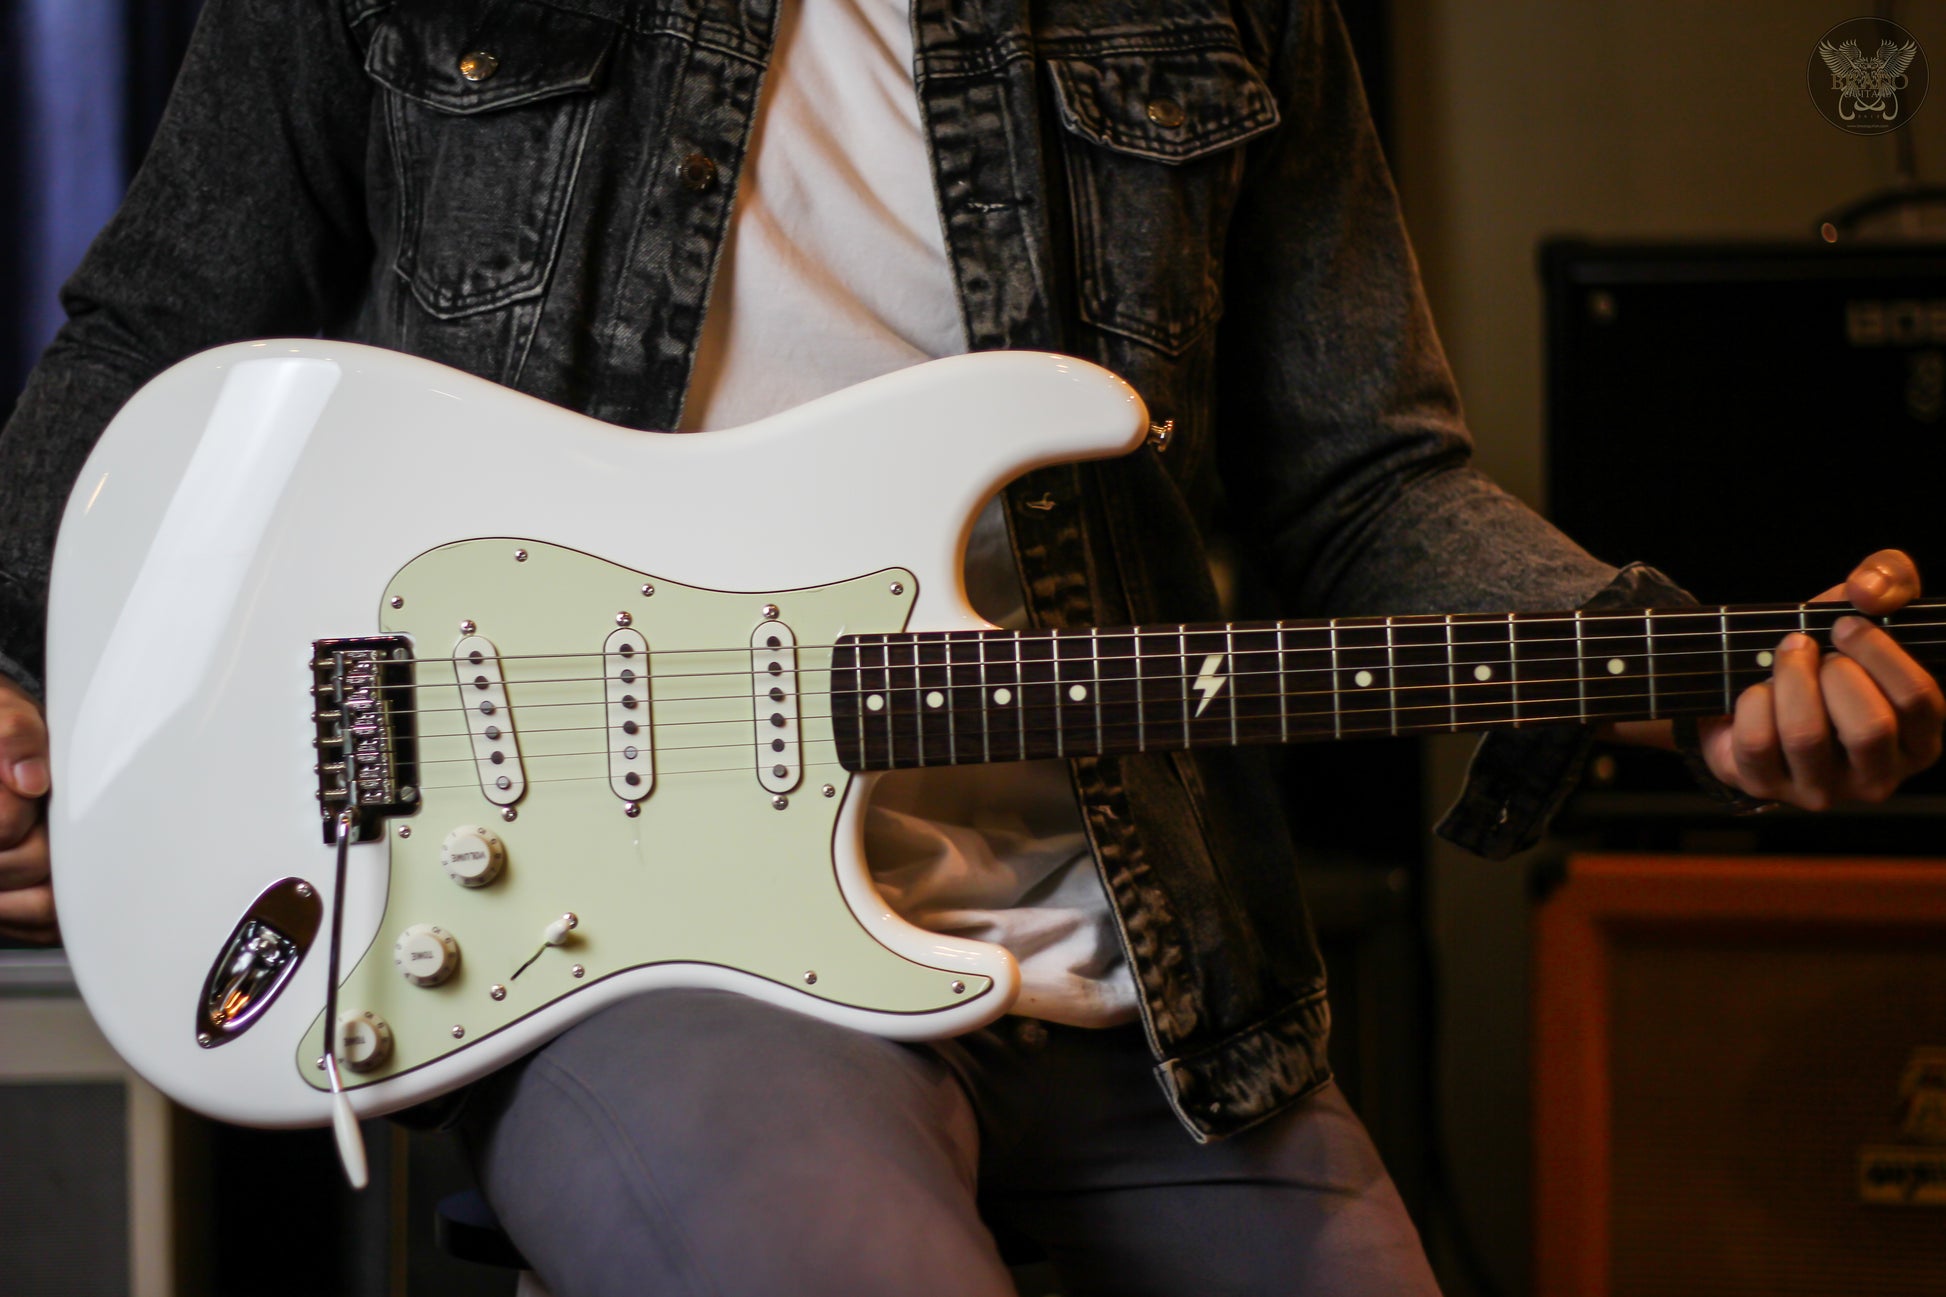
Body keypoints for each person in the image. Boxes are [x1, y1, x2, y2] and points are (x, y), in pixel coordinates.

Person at [0, 1, 1939, 1293]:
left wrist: (1668, 669)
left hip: (1142, 969)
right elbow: (157, 329)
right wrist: (21, 673)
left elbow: (1362, 473)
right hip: (633, 951)